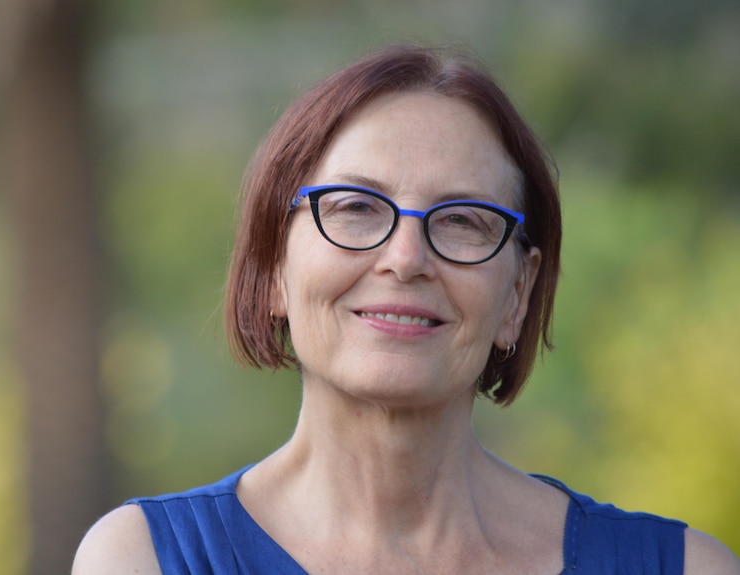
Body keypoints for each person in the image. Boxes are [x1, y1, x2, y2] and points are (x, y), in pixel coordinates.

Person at [73, 44, 740, 574]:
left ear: (517, 294)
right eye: (356, 208)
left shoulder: (683, 568)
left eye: (462, 221)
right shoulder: (144, 561)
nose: (406, 256)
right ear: (274, 264)